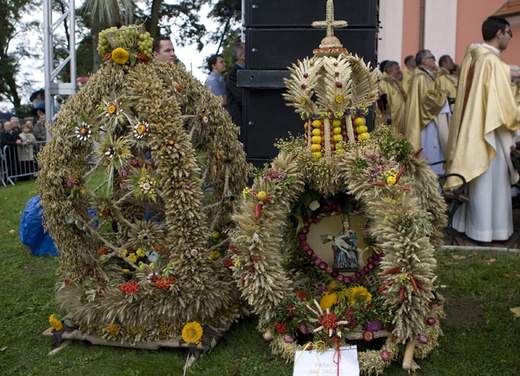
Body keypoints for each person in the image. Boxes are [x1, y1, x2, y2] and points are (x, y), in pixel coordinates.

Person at [444, 16, 520, 242]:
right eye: (509, 33)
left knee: (479, 182)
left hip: (473, 130)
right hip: (491, 132)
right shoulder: (494, 63)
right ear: (500, 33)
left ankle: (470, 226)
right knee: (491, 185)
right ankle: (488, 231)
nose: (509, 37)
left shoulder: (472, 56)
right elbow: (504, 109)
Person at [402, 49, 450, 174]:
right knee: (430, 152)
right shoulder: (421, 77)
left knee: (433, 153)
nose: (435, 60)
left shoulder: (426, 76)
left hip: (430, 121)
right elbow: (428, 100)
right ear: (425, 61)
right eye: (432, 57)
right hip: (427, 123)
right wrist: (443, 95)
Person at [379, 61, 407, 131]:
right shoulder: (383, 82)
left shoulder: (394, 81)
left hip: (399, 117)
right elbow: (383, 100)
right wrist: (387, 115)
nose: (399, 71)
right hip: (391, 119)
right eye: (397, 69)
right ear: (390, 71)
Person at [225, 42, 246, 129]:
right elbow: (242, 97)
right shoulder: (233, 75)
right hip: (240, 121)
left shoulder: (243, 72)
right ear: (240, 56)